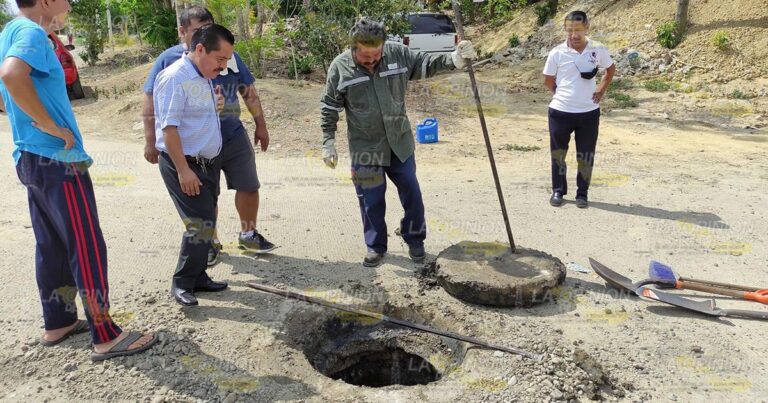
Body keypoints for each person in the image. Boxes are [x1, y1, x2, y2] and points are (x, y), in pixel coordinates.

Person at [0, 0, 156, 360]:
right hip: (58, 159)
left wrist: (26, 121)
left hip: (30, 156)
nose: (69, 4)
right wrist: (51, 125)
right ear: (43, 2)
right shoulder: (31, 31)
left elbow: (5, 83)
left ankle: (58, 322)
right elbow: (10, 76)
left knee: (51, 245)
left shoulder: (10, 29)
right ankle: (104, 333)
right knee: (85, 244)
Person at [320, 18, 476, 267]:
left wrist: (454, 58)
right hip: (365, 149)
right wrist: (328, 141)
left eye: (376, 54)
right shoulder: (340, 68)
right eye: (364, 55)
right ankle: (375, 246)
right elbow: (329, 106)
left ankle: (415, 239)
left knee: (412, 194)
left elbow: (425, 63)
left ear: (383, 46)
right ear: (353, 47)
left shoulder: (398, 54)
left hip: (399, 143)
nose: (371, 60)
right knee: (370, 201)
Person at [143, 6, 274, 267]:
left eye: (208, 29)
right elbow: (151, 102)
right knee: (205, 198)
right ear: (183, 32)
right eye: (196, 31)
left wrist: (261, 124)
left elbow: (248, 91)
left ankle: (248, 234)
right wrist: (150, 140)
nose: (204, 35)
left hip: (232, 135)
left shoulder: (227, 54)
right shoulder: (169, 62)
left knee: (248, 184)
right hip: (195, 145)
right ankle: (209, 244)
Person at [153, 24, 235, 306]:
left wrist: (216, 104)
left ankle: (199, 276)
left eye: (227, 61)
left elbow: (194, 115)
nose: (223, 67)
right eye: (220, 59)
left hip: (208, 163)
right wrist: (184, 170)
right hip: (184, 164)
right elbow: (169, 129)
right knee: (199, 224)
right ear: (200, 49)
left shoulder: (203, 75)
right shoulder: (175, 77)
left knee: (207, 220)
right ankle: (183, 282)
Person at [542, 10, 615, 209]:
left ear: (587, 28)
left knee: (586, 155)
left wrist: (601, 89)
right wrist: (561, 94)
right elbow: (548, 80)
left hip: (589, 113)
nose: (574, 35)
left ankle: (582, 194)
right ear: (565, 30)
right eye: (570, 30)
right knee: (558, 153)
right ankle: (558, 190)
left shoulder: (597, 49)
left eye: (578, 30)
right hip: (560, 112)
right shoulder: (557, 52)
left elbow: (610, 69)